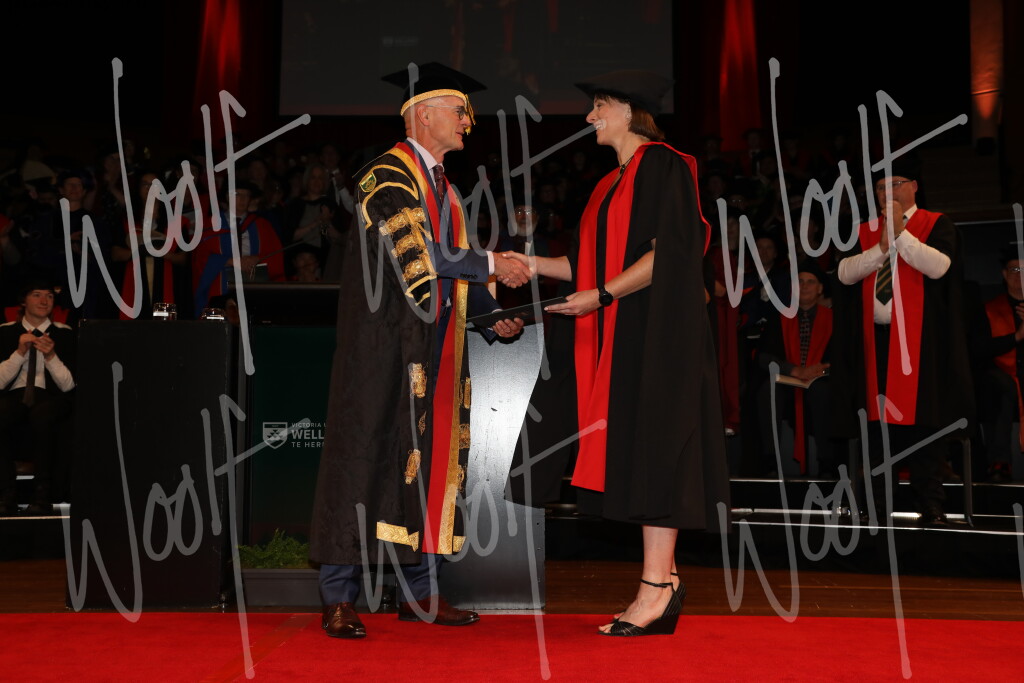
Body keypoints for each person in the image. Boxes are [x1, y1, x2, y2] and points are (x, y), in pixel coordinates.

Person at [308, 62, 531, 640]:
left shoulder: (446, 190)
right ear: (423, 115)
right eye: (459, 111)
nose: (467, 122)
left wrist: (492, 316)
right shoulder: (384, 177)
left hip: (432, 353)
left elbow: (451, 268)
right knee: (362, 461)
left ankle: (421, 593)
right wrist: (494, 263)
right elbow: (419, 253)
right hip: (380, 349)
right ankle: (338, 596)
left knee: (429, 468)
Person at [504, 69, 731, 636]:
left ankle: (655, 589)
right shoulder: (609, 183)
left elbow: (670, 253)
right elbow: (587, 264)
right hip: (622, 334)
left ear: (630, 112)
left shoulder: (665, 165)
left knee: (659, 451)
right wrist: (528, 264)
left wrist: (602, 294)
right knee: (642, 453)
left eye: (599, 105)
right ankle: (664, 582)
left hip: (659, 334)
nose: (590, 116)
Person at [834, 156, 974, 527]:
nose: (887, 191)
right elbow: (844, 273)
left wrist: (899, 233)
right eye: (881, 186)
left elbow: (939, 267)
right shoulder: (863, 229)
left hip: (921, 346)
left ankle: (931, 505)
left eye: (895, 184)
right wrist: (881, 246)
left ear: (914, 187)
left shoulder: (936, 224)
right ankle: (878, 506)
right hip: (876, 343)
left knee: (924, 426)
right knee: (877, 430)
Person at [0, 279, 76, 515]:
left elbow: (68, 385)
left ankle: (42, 493)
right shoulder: (5, 331)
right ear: (23, 301)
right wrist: (19, 353)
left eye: (49, 296)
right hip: (15, 394)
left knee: (43, 414)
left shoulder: (64, 333)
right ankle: (6, 493)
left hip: (50, 396)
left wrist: (51, 356)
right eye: (37, 295)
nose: (44, 301)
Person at [756, 260, 836, 477]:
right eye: (800, 281)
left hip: (821, 381)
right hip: (787, 381)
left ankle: (827, 463)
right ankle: (770, 462)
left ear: (820, 288)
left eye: (811, 282)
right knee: (768, 390)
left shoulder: (834, 319)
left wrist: (819, 371)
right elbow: (764, 357)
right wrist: (794, 370)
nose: (805, 286)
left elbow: (842, 359)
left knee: (823, 392)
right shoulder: (779, 317)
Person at [191, 181, 286, 313]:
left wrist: (257, 259)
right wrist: (230, 261)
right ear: (227, 197)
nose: (242, 199)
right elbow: (199, 259)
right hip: (219, 292)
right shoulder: (209, 225)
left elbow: (276, 257)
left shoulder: (262, 226)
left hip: (253, 290)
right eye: (237, 194)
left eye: (246, 195)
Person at [977, 246, 1024, 482]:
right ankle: (1000, 462)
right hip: (1003, 375)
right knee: (1001, 386)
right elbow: (980, 349)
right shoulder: (989, 309)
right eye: (1014, 270)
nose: (1019, 275)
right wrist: (1017, 336)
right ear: (1004, 274)